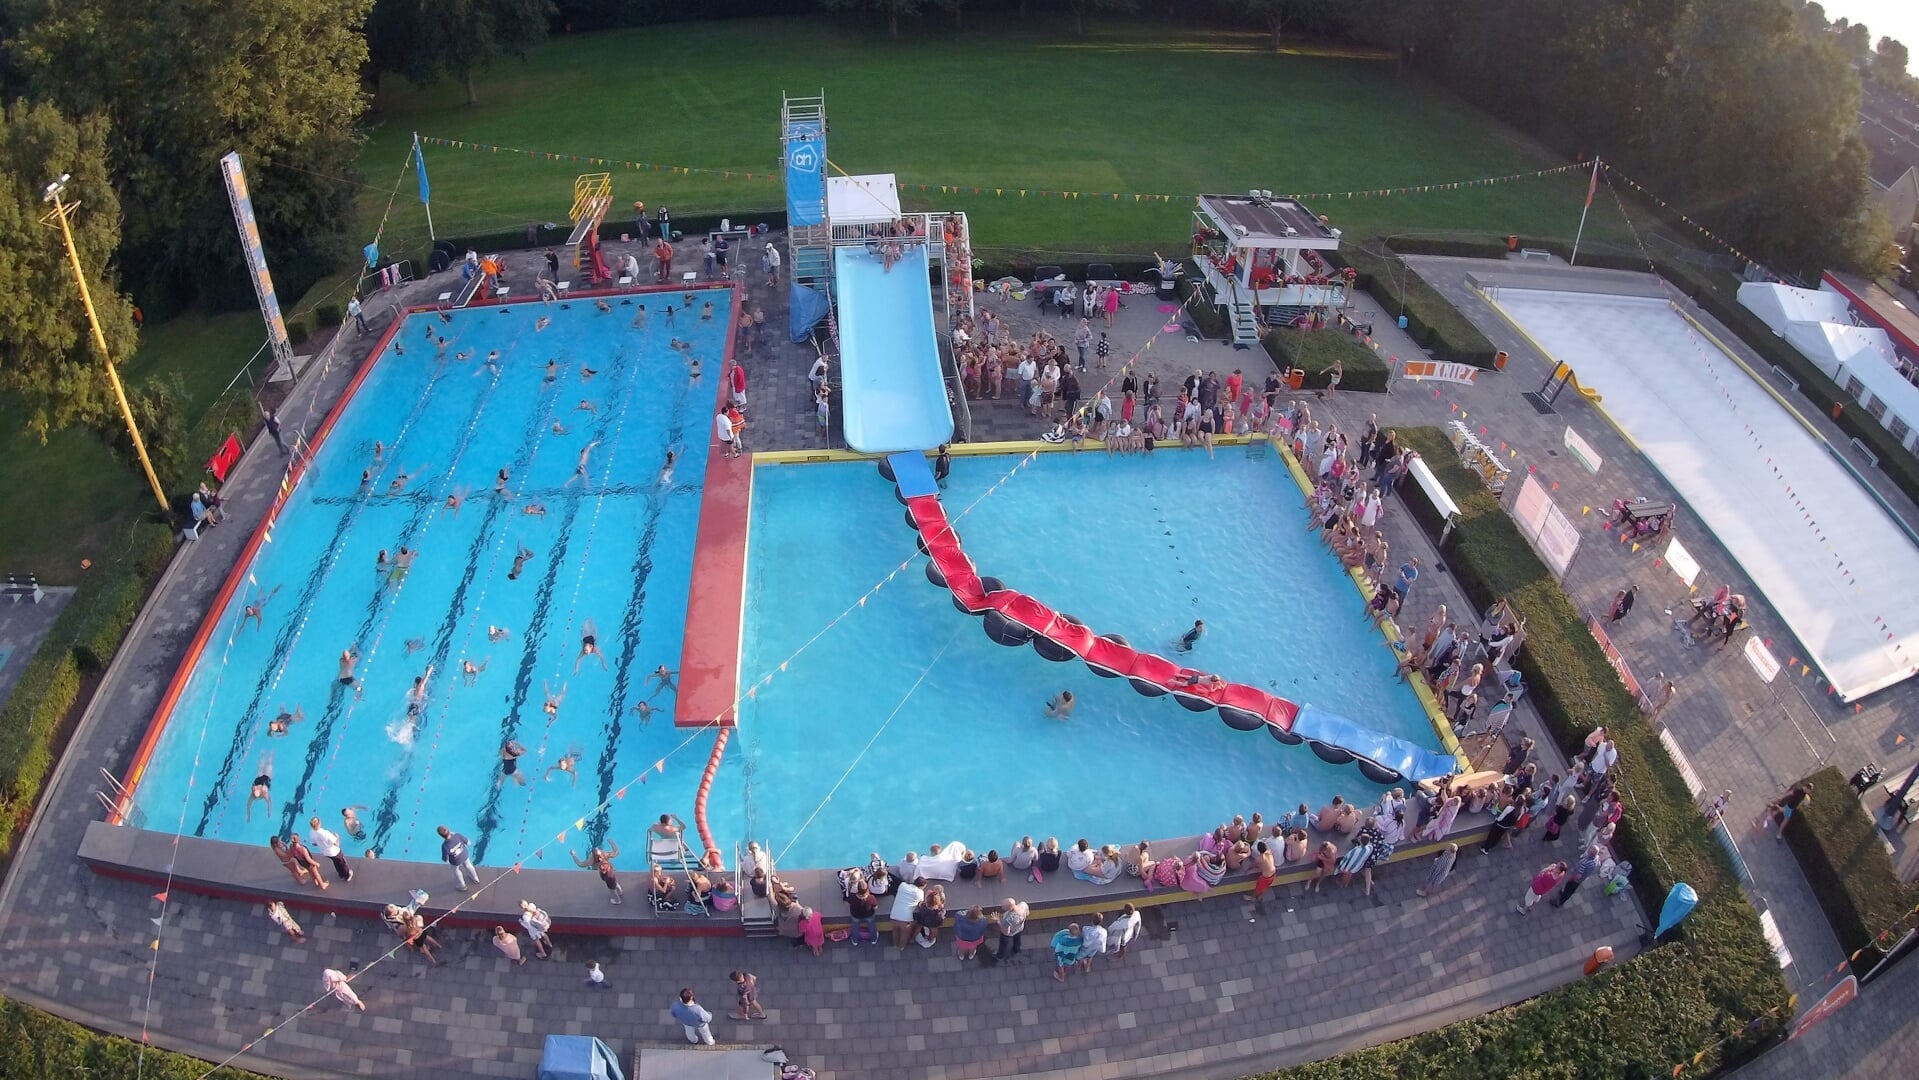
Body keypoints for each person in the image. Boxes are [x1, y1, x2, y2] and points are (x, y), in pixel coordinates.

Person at [308, 816, 351, 882]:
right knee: (342, 863)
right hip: (334, 852)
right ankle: (347, 876)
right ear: (319, 823)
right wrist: (337, 837)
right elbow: (337, 844)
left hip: (326, 853)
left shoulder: (311, 833)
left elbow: (314, 844)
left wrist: (321, 843)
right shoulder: (325, 833)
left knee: (336, 863)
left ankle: (341, 875)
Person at [438, 824, 478, 891]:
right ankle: (475, 878)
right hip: (464, 855)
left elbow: (445, 859)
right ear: (449, 831)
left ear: (441, 836)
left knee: (456, 870)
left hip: (455, 861)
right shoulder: (457, 836)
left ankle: (462, 886)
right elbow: (468, 843)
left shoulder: (445, 846)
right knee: (468, 865)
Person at [995, 897, 1028, 962]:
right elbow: (1027, 913)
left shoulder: (1008, 918)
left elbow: (1006, 932)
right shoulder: (1023, 905)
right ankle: (1016, 950)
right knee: (1017, 939)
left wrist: (998, 921)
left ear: (1009, 908)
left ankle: (1000, 956)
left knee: (1003, 944)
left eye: (1003, 907)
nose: (1002, 908)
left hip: (1011, 932)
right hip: (1020, 928)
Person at [246, 752, 274, 821]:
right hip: (261, 780)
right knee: (264, 768)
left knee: (266, 767)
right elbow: (248, 806)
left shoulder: (264, 794)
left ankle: (268, 754)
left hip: (264, 780)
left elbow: (269, 802)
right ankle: (266, 754)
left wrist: (269, 812)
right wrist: (248, 816)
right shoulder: (253, 795)